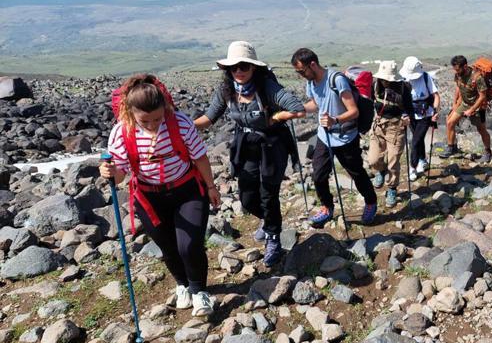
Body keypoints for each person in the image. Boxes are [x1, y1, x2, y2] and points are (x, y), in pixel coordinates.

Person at [101, 74, 221, 317]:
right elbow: (121, 176)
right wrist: (110, 172)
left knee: (189, 245)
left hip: (187, 190)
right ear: (130, 112)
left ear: (165, 107)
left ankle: (199, 292)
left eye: (158, 118)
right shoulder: (121, 132)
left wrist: (211, 187)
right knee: (168, 247)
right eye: (145, 121)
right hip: (149, 197)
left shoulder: (180, 123)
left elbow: (199, 157)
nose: (154, 125)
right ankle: (182, 285)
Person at [194, 41, 306, 267]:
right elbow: (209, 118)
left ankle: (274, 238)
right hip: (246, 146)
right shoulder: (226, 91)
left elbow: (297, 108)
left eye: (244, 66)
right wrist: (178, 127)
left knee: (268, 194)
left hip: (271, 146)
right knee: (247, 197)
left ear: (254, 67)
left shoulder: (266, 87)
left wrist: (274, 118)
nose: (238, 71)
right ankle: (268, 221)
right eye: (233, 67)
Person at [291, 48, 378, 226]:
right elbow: (316, 103)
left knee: (356, 173)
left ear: (313, 64)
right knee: (318, 175)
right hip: (325, 135)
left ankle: (370, 202)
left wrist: (334, 120)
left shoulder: (336, 80)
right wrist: (298, 110)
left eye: (301, 70)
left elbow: (354, 111)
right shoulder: (311, 82)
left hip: (346, 137)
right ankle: (327, 207)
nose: (301, 75)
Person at [368, 61, 415, 207]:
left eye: (389, 80)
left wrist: (407, 117)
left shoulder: (403, 88)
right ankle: (381, 171)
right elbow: (371, 102)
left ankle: (392, 189)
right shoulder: (375, 85)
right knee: (373, 160)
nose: (386, 82)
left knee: (394, 160)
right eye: (384, 79)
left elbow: (409, 109)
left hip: (396, 127)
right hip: (378, 126)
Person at [439, 55, 492, 163]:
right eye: (455, 69)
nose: (456, 72)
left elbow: (482, 96)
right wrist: (454, 103)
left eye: (458, 69)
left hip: (479, 107)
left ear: (465, 66)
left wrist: (471, 110)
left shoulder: (477, 77)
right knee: (450, 122)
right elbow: (458, 87)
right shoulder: (458, 74)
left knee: (481, 130)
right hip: (464, 103)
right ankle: (451, 147)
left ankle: (488, 152)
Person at [400, 56, 440, 181]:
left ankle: (412, 167)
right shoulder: (402, 79)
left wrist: (435, 111)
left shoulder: (426, 77)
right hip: (410, 114)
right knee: (419, 138)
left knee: (415, 140)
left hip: (426, 114)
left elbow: (436, 96)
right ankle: (423, 160)